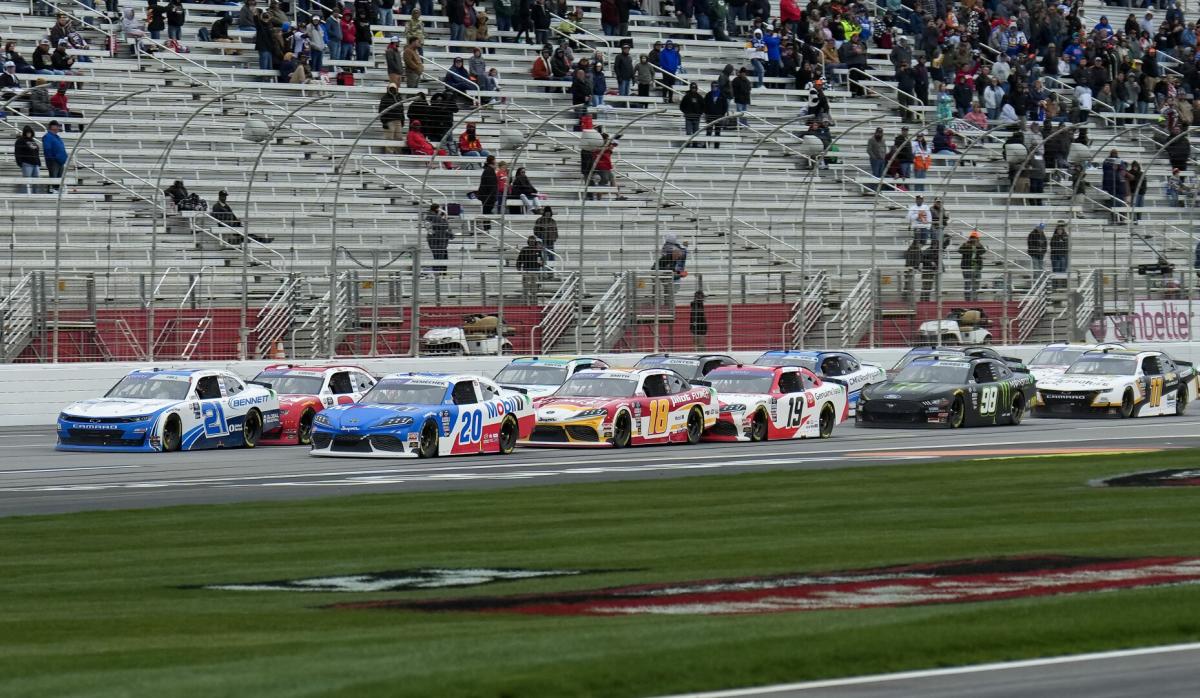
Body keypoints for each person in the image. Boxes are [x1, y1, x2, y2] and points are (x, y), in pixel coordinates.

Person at [958, 231, 985, 301]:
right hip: (967, 268)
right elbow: (960, 251)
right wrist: (968, 245)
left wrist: (978, 245)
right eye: (972, 238)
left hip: (977, 268)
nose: (974, 239)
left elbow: (983, 251)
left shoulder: (979, 245)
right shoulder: (965, 245)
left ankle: (975, 299)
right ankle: (968, 300)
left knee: (976, 285)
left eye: (975, 238)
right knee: (968, 284)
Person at [424, 203, 451, 273]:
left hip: (435, 239)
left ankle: (441, 272)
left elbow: (428, 227)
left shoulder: (431, 215)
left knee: (440, 256)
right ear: (437, 209)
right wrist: (445, 218)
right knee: (440, 257)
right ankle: (439, 272)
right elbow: (445, 226)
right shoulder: (434, 216)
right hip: (438, 240)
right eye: (439, 208)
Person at [378, 85, 405, 154]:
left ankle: (398, 152)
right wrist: (384, 122)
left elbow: (402, 110)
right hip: (389, 121)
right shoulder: (384, 98)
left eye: (394, 88)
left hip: (398, 120)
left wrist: (402, 120)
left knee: (399, 138)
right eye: (391, 88)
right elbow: (381, 111)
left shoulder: (399, 97)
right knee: (389, 138)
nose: (393, 90)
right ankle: (389, 153)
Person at [516, 235, 543, 303]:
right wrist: (518, 267)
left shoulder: (538, 250)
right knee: (525, 289)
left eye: (533, 241)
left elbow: (540, 260)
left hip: (535, 272)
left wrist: (541, 263)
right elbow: (519, 259)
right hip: (526, 271)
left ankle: (534, 304)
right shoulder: (524, 249)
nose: (531, 242)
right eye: (530, 241)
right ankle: (525, 303)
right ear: (528, 241)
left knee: (534, 289)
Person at [14, 125, 40, 194]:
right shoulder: (20, 141)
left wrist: (38, 162)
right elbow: (17, 152)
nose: (29, 133)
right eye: (27, 132)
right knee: (27, 180)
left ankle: (35, 194)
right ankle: (25, 195)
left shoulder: (33, 140)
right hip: (27, 163)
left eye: (30, 132)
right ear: (24, 132)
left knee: (36, 180)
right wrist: (20, 163)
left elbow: (37, 152)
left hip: (35, 163)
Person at [42, 120, 66, 193]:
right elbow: (47, 149)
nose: (58, 127)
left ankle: (57, 189)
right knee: (54, 176)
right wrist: (52, 158)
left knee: (59, 177)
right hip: (54, 161)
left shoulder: (56, 137)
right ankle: (53, 189)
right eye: (56, 126)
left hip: (60, 160)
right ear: (52, 127)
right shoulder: (48, 136)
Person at [702, 80, 728, 148]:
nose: (714, 87)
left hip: (719, 117)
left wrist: (722, 114)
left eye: (716, 86)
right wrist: (706, 113)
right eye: (713, 86)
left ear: (718, 86)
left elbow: (725, 106)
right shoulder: (708, 95)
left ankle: (716, 146)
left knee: (717, 132)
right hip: (710, 116)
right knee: (708, 132)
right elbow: (704, 105)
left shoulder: (722, 95)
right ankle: (707, 145)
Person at [903, 238, 921, 302]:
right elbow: (917, 260)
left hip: (908, 268)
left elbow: (909, 259)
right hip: (911, 268)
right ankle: (907, 297)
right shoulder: (916, 250)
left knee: (907, 283)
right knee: (909, 283)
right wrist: (916, 267)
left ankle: (906, 297)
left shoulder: (910, 249)